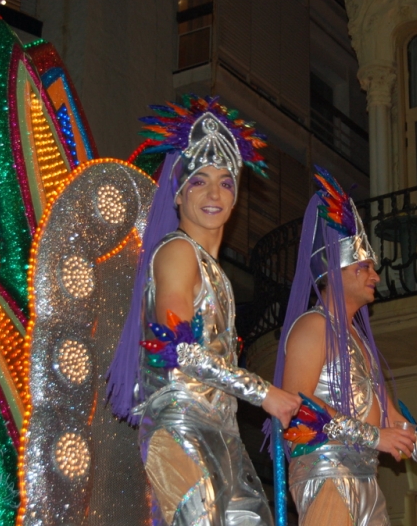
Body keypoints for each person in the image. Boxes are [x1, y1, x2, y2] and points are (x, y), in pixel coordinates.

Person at [106, 95, 301, 526]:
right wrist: (263, 393)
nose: (215, 193)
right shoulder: (177, 251)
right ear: (177, 194)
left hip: (223, 435)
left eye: (226, 182)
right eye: (200, 181)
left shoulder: (216, 272)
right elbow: (179, 349)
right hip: (182, 431)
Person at [273, 166, 417, 525]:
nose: (376, 277)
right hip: (326, 473)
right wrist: (374, 437)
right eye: (364, 268)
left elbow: (391, 416)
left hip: (365, 476)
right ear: (336, 273)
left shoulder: (358, 341)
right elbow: (298, 404)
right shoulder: (313, 327)